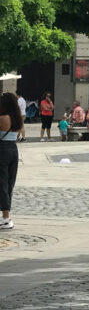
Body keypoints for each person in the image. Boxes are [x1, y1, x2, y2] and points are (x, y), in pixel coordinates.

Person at [0, 92, 22, 229]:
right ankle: (6, 217)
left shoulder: (2, 118)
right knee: (9, 183)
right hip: (13, 149)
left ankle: (6, 218)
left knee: (2, 182)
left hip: (2, 150)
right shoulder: (18, 119)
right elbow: (18, 135)